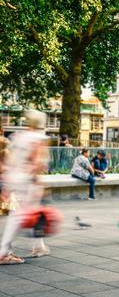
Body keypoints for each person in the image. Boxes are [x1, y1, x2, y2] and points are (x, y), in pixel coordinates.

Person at [0, 110, 50, 265]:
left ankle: (38, 245)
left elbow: (11, 160)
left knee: (31, 212)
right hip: (27, 180)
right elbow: (37, 163)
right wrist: (38, 183)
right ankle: (3, 252)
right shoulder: (38, 139)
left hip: (14, 178)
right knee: (19, 216)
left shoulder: (18, 137)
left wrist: (7, 185)